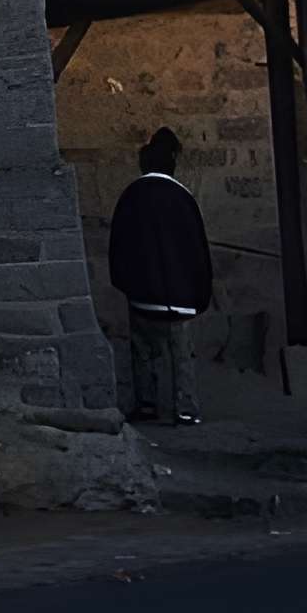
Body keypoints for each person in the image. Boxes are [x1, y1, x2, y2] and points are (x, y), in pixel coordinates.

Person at [108, 127, 214, 426]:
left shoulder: (131, 197)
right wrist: (201, 292)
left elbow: (119, 246)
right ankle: (185, 408)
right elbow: (198, 249)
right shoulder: (184, 199)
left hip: (142, 292)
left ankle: (146, 404)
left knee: (143, 351)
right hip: (180, 296)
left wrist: (124, 284)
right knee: (181, 355)